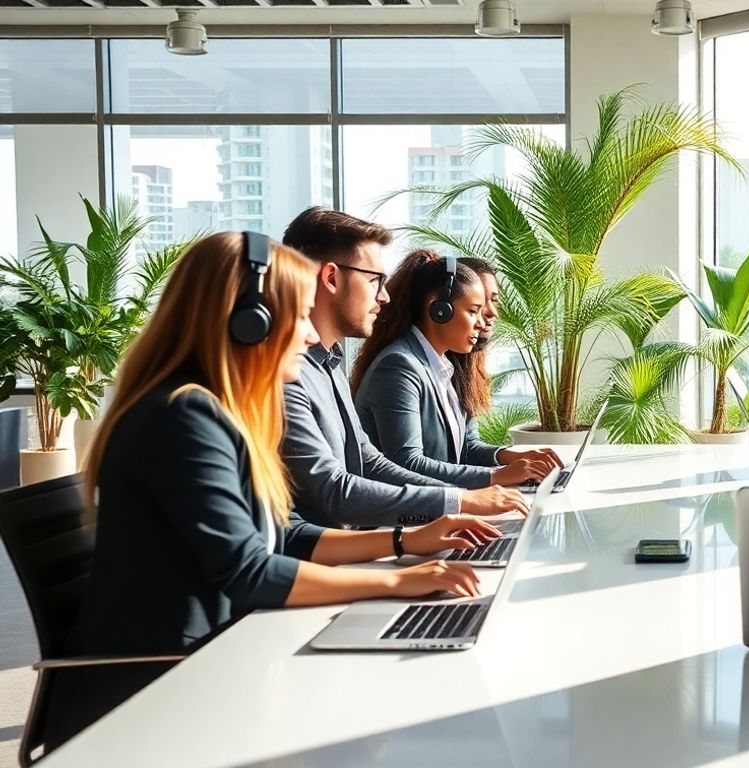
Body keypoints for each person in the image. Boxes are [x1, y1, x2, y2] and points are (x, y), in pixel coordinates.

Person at [44, 232, 497, 748]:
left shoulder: (219, 411)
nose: (309, 336)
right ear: (249, 323)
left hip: (216, 660)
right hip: (155, 697)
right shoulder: (182, 417)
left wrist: (403, 543)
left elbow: (282, 534)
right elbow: (249, 570)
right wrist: (396, 584)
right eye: (301, 316)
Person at [279, 207, 527, 528]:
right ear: (330, 277)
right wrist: (461, 499)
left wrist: (463, 498)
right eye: (374, 281)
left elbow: (370, 462)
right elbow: (333, 492)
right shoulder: (289, 374)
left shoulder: (330, 364)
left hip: (358, 543)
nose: (384, 297)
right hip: (336, 556)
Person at [350, 249, 560, 486]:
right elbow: (407, 462)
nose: (481, 323)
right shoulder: (399, 366)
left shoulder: (443, 367)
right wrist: (496, 477)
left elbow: (466, 448)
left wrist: (514, 457)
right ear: (439, 310)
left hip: (438, 505)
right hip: (407, 517)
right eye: (473, 311)